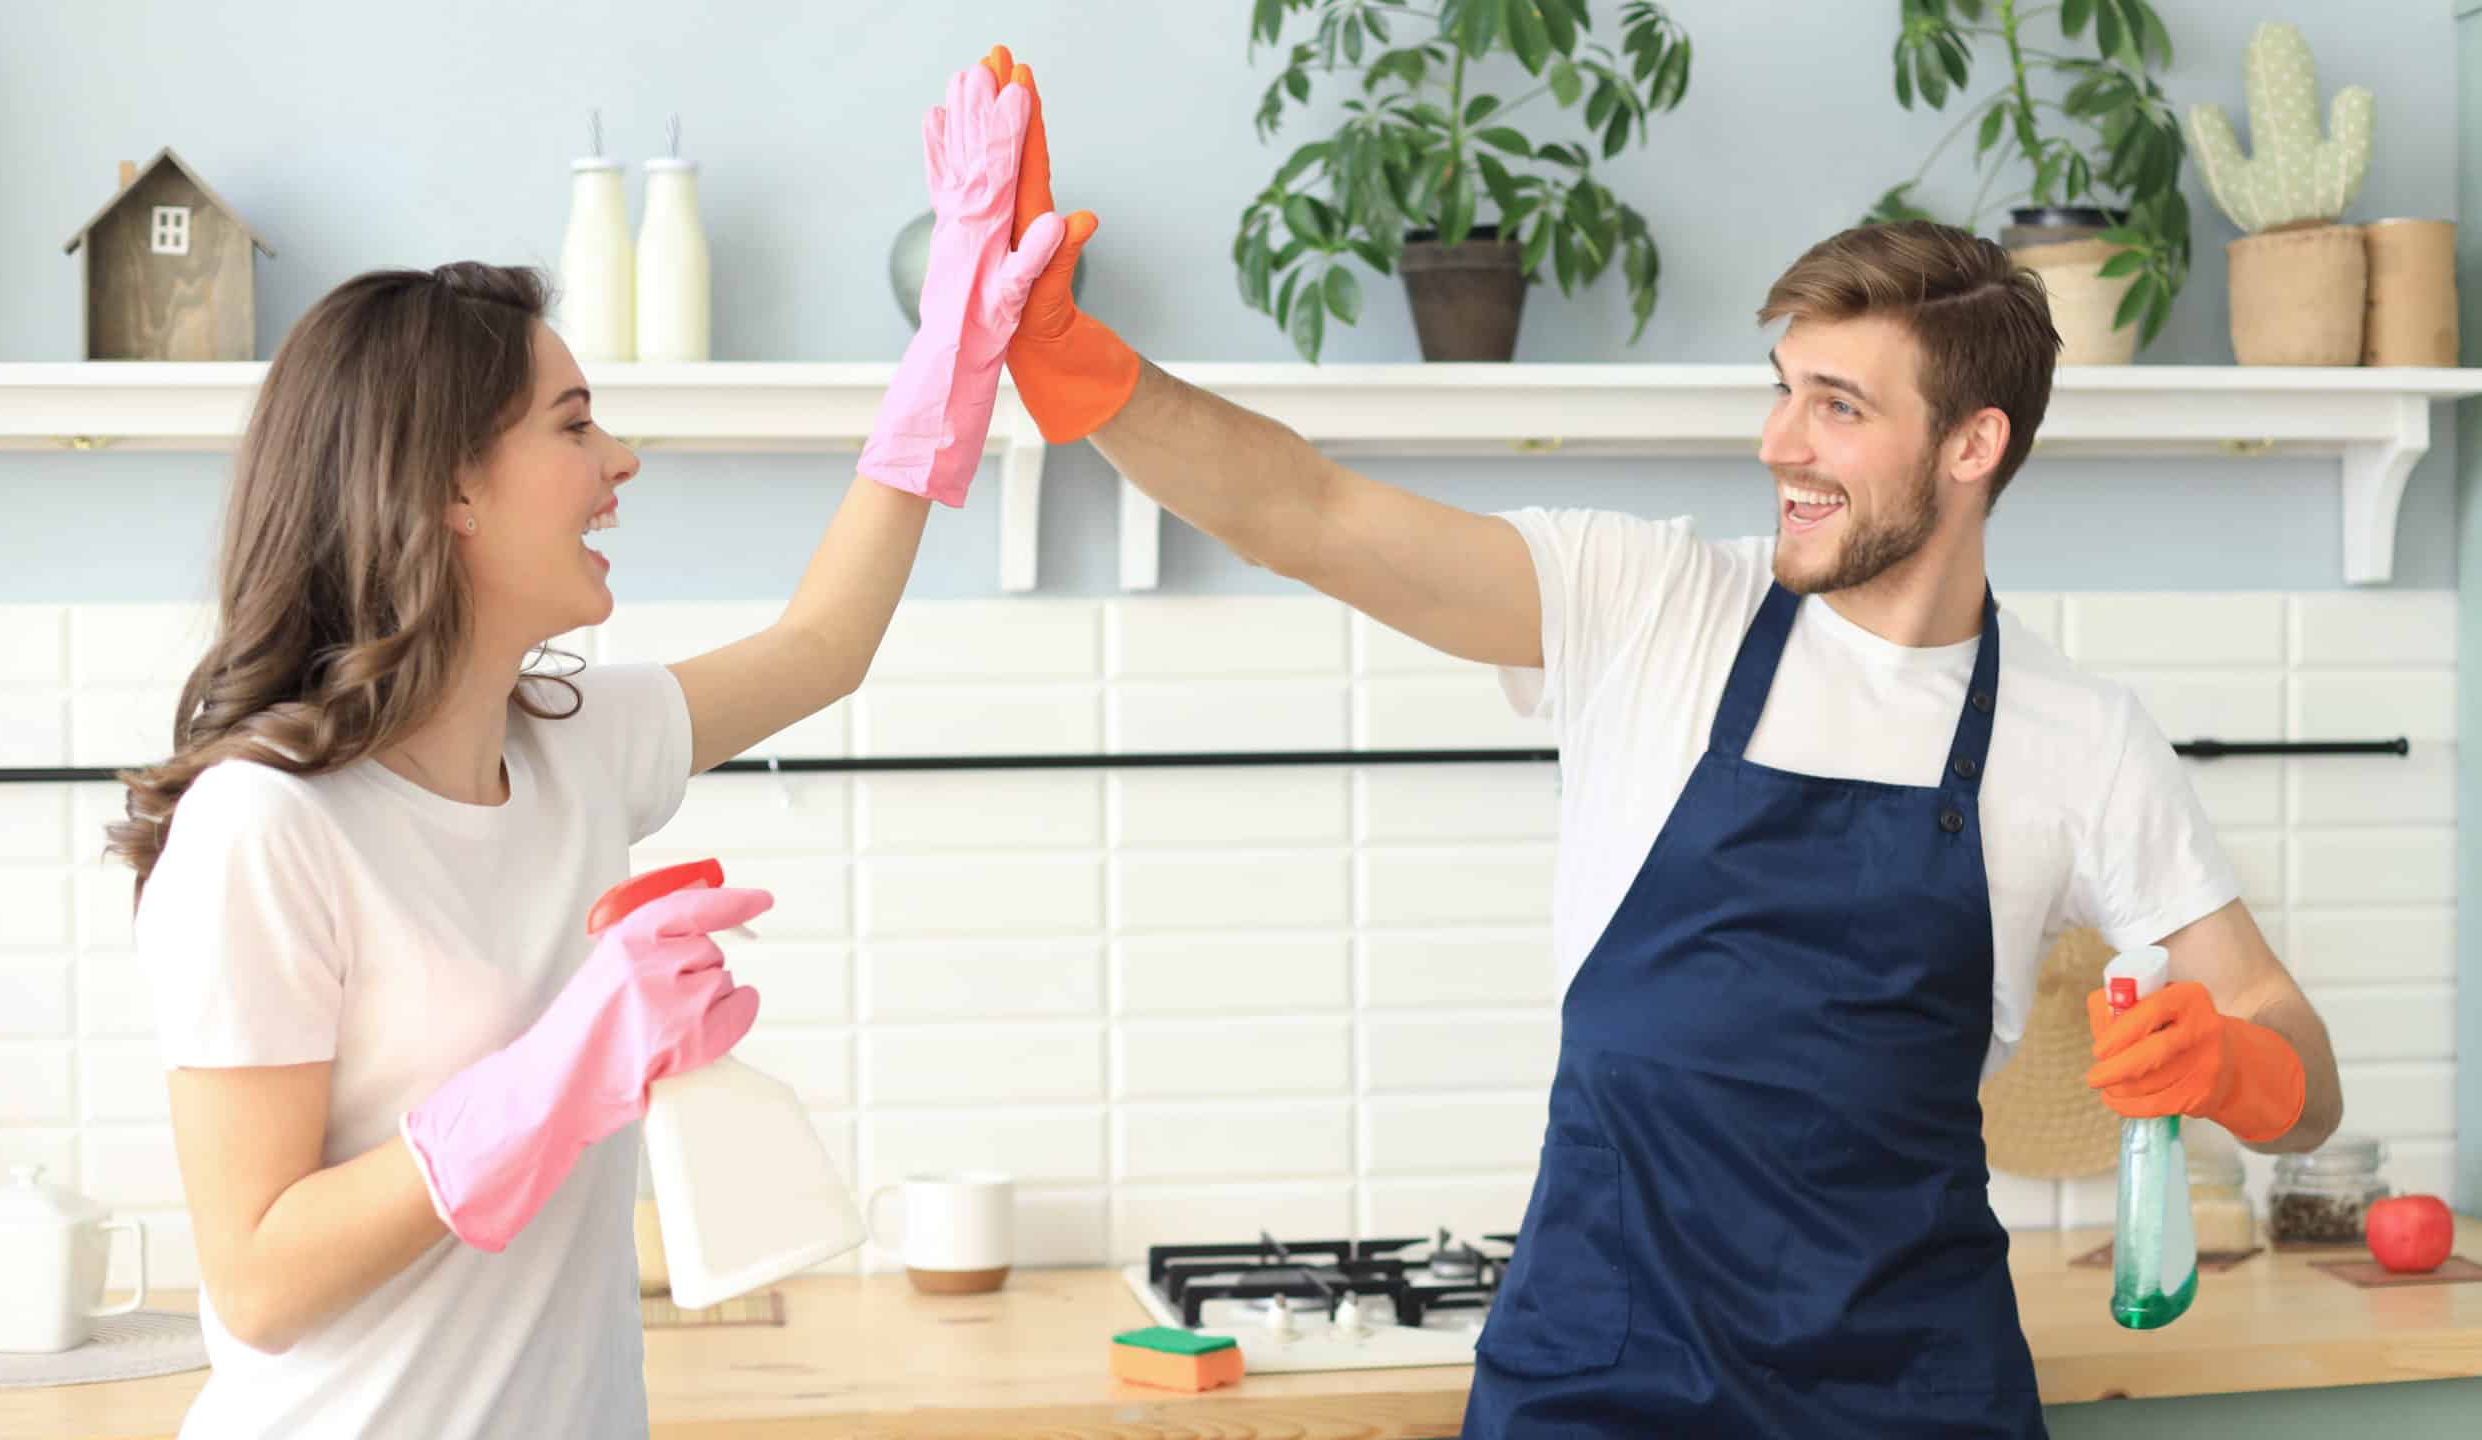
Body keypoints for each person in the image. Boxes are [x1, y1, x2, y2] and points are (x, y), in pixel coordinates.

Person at [978, 48, 2343, 1436]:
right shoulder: (1649, 607)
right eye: (1783, 388)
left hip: (1911, 1396)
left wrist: (2235, 1068)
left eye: (1839, 407)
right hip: (1601, 1379)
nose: (1779, 444)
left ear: (1973, 444)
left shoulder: (2078, 737)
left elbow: (2298, 1061)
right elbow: (1309, 513)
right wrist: (1076, 363)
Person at [107, 61, 1060, 1439]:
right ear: (442, 488)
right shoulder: (268, 826)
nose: (621, 461)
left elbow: (823, 646)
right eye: (573, 426)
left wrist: (951, 351)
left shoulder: (571, 745)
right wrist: (564, 1067)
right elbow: (256, 1279)